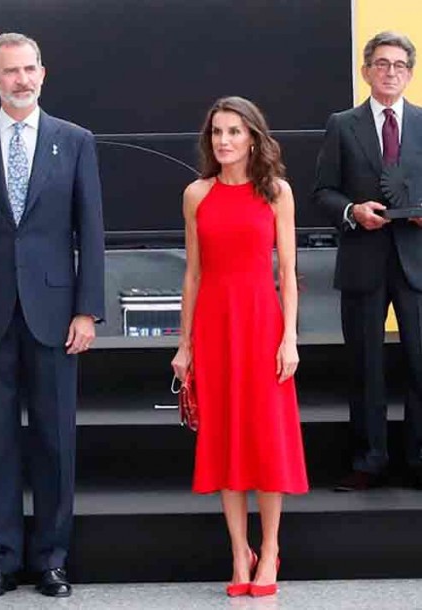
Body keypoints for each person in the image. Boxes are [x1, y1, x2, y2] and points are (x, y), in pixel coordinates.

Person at [0, 33, 105, 598]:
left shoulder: (76, 141)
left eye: (30, 69)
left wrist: (88, 309)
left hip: (57, 316)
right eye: (10, 72)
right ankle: (2, 560)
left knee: (57, 443)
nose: (22, 80)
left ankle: (52, 560)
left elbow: (92, 233)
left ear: (43, 72)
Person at [171, 96, 308, 598]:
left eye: (233, 131)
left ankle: (269, 548)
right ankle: (238, 553)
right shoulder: (196, 194)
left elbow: (288, 273)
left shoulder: (277, 193)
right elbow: (192, 274)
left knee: (265, 438)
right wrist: (184, 345)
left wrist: (289, 336)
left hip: (262, 324)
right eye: (216, 132)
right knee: (225, 438)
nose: (224, 141)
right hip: (213, 325)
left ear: (253, 136)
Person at [314, 31, 422, 491]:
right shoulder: (342, 124)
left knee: (421, 364)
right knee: (365, 365)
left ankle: (417, 460)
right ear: (366, 71)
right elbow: (322, 192)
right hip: (363, 259)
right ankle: (369, 460)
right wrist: (351, 212)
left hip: (417, 264)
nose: (390, 72)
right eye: (382, 64)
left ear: (410, 73)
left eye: (399, 65)